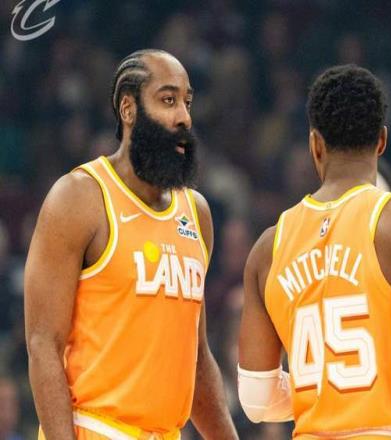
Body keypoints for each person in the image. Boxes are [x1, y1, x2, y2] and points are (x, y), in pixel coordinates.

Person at [238, 65, 391, 439]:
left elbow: (256, 400)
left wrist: (327, 387)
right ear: (381, 140)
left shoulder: (269, 247)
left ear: (315, 145)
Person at [25, 49, 237, 440]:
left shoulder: (196, 213)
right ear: (128, 108)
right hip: (96, 428)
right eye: (168, 100)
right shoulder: (79, 198)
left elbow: (195, 357)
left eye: (187, 102)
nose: (184, 117)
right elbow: (43, 344)